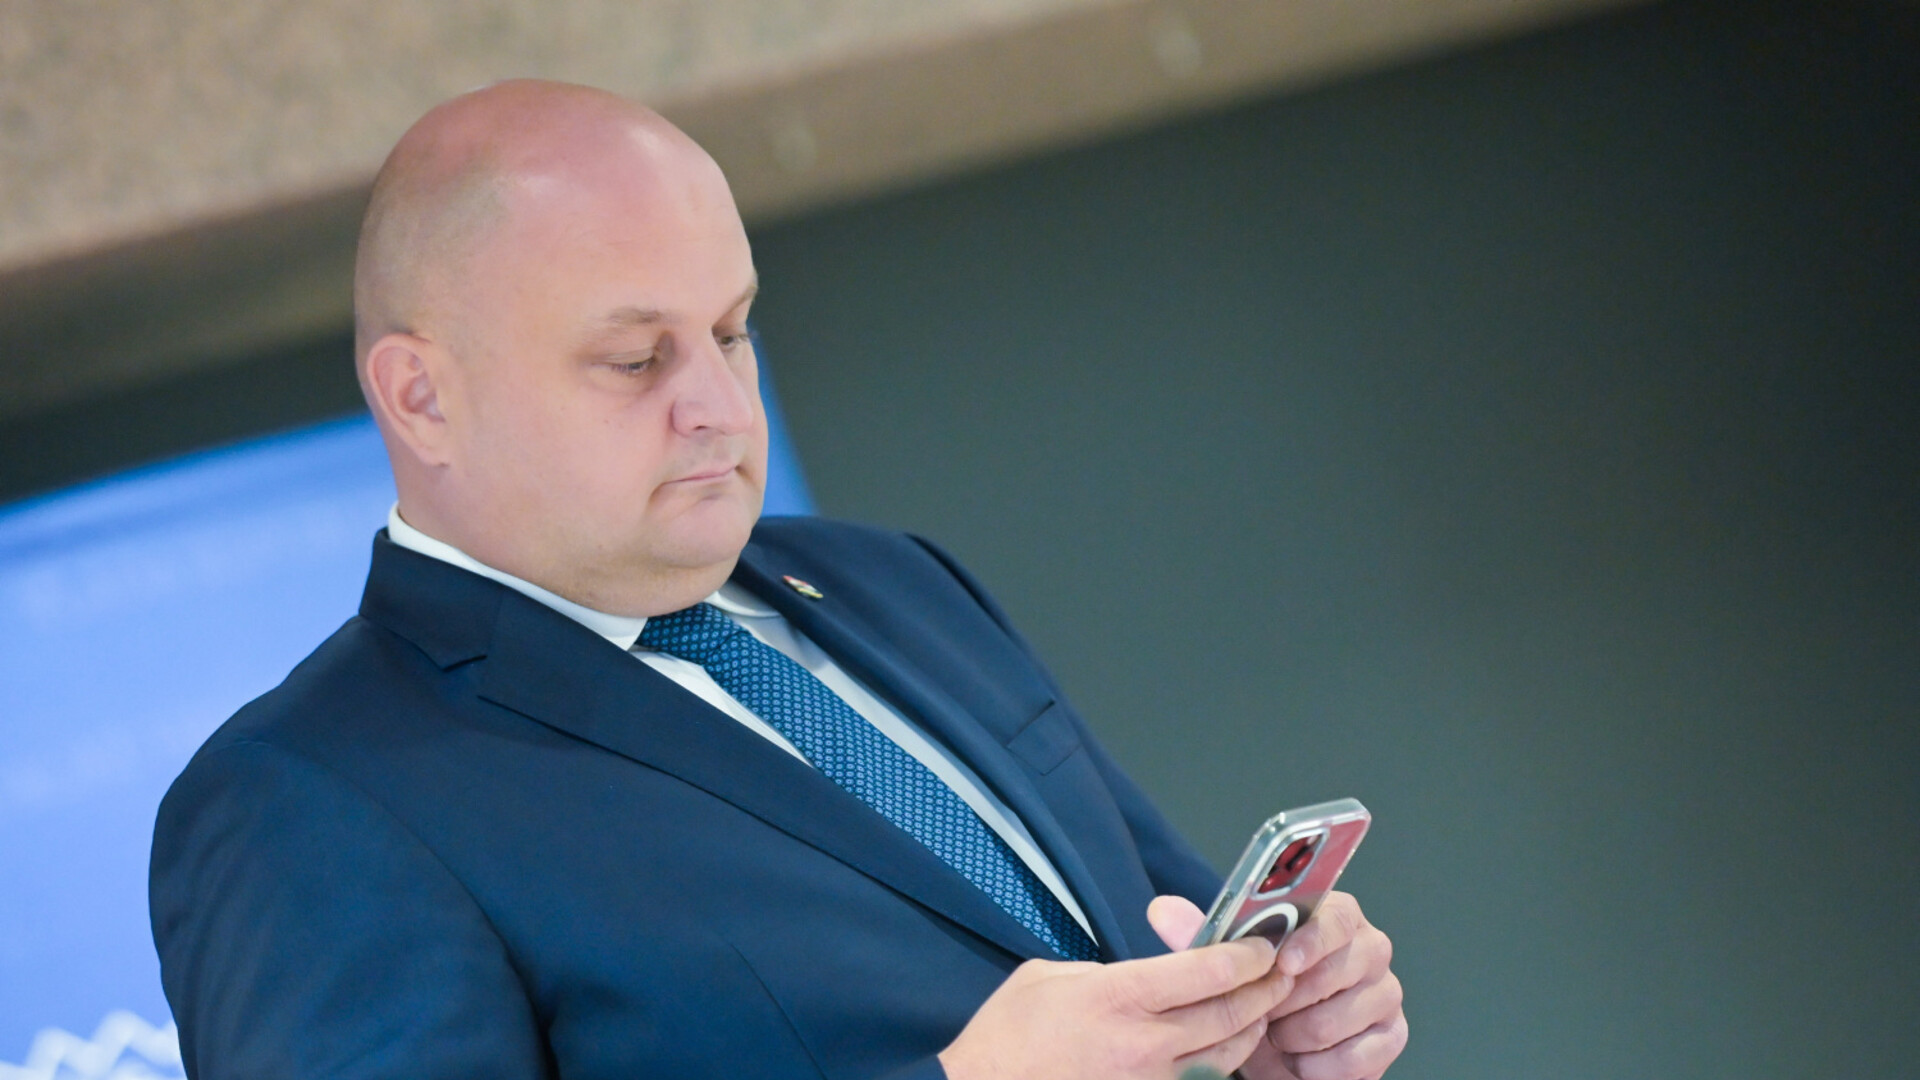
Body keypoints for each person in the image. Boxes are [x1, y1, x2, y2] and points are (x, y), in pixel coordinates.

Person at [149, 79, 1407, 1080]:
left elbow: (1154, 937)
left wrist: (1276, 1011)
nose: (718, 403)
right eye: (635, 359)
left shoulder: (895, 581)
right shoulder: (305, 801)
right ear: (423, 397)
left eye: (731, 329)